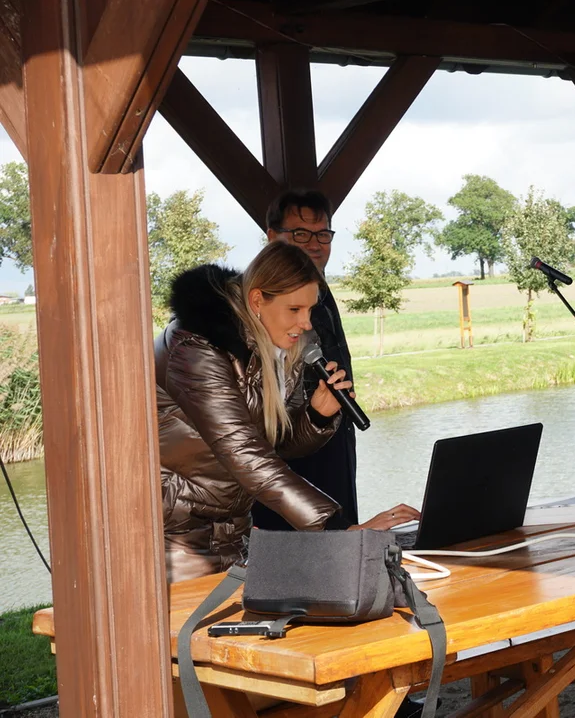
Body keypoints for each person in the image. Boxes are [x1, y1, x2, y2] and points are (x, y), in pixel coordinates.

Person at [155, 241, 418, 583]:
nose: (305, 324)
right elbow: (245, 454)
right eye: (294, 310)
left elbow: (277, 445)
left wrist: (317, 415)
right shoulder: (195, 350)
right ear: (257, 300)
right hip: (173, 541)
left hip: (233, 532)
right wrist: (337, 528)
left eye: (309, 310)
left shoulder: (275, 350)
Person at [252, 190, 360, 531]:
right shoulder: (260, 306)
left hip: (328, 427)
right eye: (300, 234)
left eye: (323, 234)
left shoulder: (322, 292)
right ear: (272, 237)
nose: (314, 244)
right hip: (280, 453)